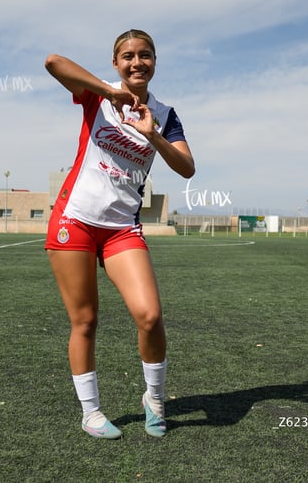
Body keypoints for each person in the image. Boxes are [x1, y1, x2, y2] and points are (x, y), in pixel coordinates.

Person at [44, 29, 195, 439]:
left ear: (155, 62)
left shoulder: (165, 114)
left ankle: (154, 399)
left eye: (145, 55)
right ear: (116, 63)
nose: (136, 63)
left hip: (120, 229)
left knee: (149, 316)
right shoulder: (98, 96)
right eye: (127, 56)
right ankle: (90, 412)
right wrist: (107, 93)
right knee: (85, 320)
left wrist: (153, 135)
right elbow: (53, 62)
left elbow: (186, 168)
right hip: (74, 220)